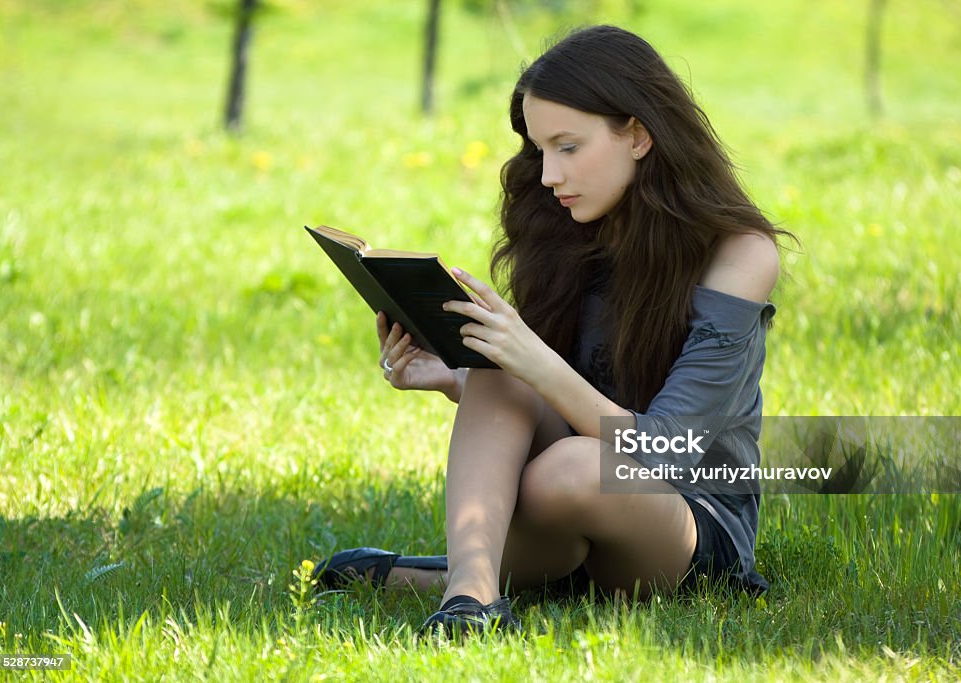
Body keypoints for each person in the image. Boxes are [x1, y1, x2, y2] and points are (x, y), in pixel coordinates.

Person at [315, 25, 790, 635]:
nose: (546, 175)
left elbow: (666, 452)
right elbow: (548, 398)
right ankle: (469, 600)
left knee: (569, 460)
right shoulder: (565, 230)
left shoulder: (739, 255)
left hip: (688, 519)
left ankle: (432, 573)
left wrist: (532, 361)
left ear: (639, 135)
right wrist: (458, 378)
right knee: (496, 369)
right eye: (540, 150)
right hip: (565, 489)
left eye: (568, 147)